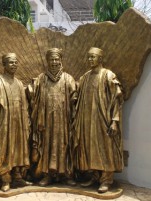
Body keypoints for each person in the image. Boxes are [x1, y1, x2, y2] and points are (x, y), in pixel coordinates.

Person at [73, 47, 124, 193]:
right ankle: (95, 176)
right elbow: (77, 94)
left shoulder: (108, 75)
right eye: (88, 57)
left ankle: (106, 179)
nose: (90, 60)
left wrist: (114, 120)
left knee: (105, 148)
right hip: (87, 120)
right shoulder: (85, 77)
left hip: (104, 120)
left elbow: (117, 99)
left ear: (100, 59)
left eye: (93, 57)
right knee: (90, 148)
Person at [27, 48, 77, 186]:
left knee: (64, 145)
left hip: (64, 121)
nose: (54, 62)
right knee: (46, 146)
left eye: (56, 59)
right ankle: (47, 174)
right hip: (46, 122)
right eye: (51, 60)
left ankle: (66, 174)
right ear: (47, 61)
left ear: (61, 60)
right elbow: (33, 97)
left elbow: (75, 99)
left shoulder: (68, 78)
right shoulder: (41, 79)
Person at [0, 53, 31, 192]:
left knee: (18, 148)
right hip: (3, 123)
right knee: (4, 148)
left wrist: (25, 120)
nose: (14, 65)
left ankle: (17, 177)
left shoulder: (18, 83)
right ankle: (5, 178)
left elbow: (24, 104)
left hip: (18, 122)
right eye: (11, 62)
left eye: (16, 62)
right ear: (4, 65)